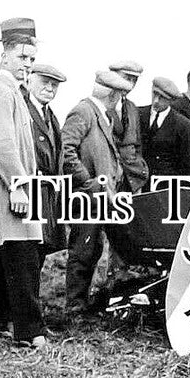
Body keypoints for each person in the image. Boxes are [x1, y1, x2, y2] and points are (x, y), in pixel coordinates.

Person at [0, 18, 47, 348]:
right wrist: (18, 185)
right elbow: (0, 142)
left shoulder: (3, 86)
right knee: (22, 256)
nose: (28, 65)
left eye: (31, 59)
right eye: (22, 58)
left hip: (4, 184)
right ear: (5, 54)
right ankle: (30, 332)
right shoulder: (1, 89)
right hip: (7, 187)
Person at [61, 70, 131, 316]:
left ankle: (82, 303)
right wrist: (88, 182)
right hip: (87, 197)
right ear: (114, 95)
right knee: (83, 251)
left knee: (92, 249)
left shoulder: (100, 115)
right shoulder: (84, 111)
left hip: (98, 197)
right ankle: (75, 308)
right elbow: (66, 151)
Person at [23, 64, 68, 260]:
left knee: (37, 258)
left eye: (54, 85)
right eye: (45, 82)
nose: (50, 88)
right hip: (29, 194)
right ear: (29, 80)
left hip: (47, 197)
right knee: (26, 258)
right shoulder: (22, 110)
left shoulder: (50, 115)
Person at [140, 77, 190, 178]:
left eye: (162, 97)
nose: (156, 101)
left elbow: (189, 165)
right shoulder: (137, 115)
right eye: (154, 94)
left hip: (165, 187)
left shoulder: (183, 124)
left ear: (171, 101)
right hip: (138, 186)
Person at [107, 60, 150, 193]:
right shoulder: (99, 106)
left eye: (134, 80)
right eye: (126, 78)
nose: (130, 85)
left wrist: (140, 169)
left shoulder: (132, 108)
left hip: (132, 179)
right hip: (108, 178)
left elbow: (137, 145)